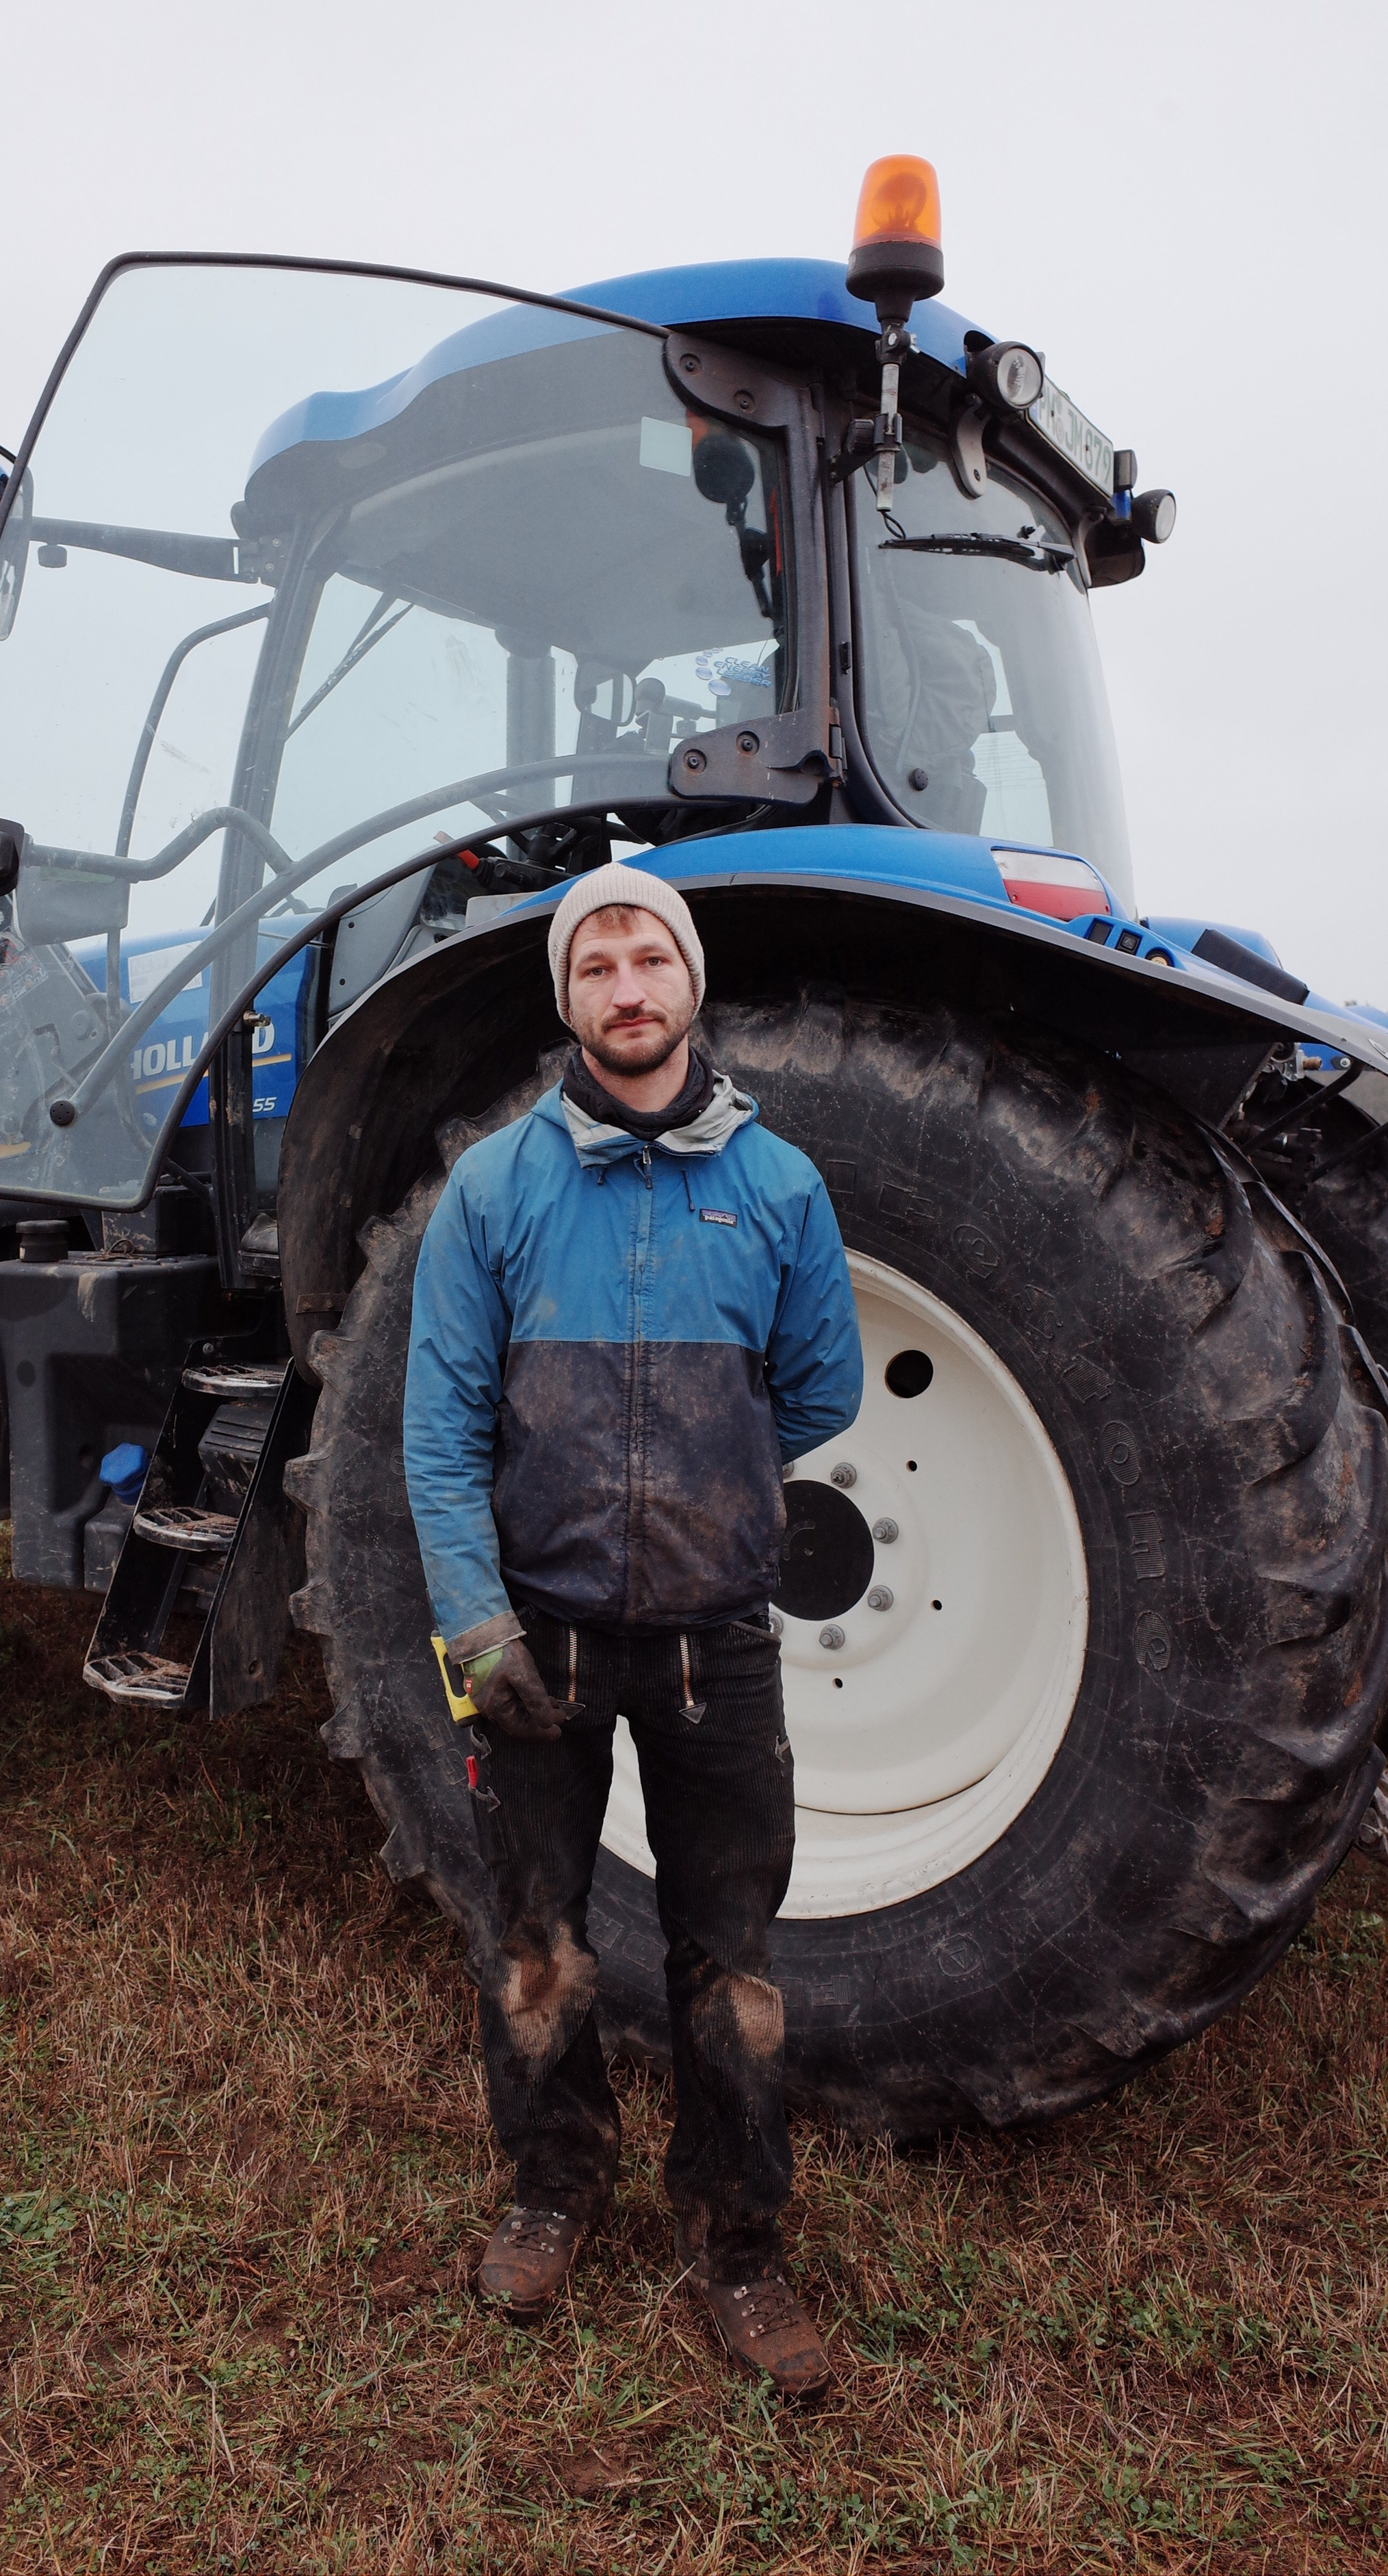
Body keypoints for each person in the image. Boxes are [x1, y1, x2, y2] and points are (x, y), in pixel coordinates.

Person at [401, 864, 862, 2395]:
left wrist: (700, 1496)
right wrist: (475, 1622)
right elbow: (438, 1427)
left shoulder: (780, 1189)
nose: (623, 983)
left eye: (646, 953)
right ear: (567, 999)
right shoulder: (492, 1190)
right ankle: (552, 2182)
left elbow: (817, 1391)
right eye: (592, 961)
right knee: (535, 1945)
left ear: (688, 981)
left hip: (712, 1644)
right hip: (536, 1642)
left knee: (728, 1959)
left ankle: (737, 2240)